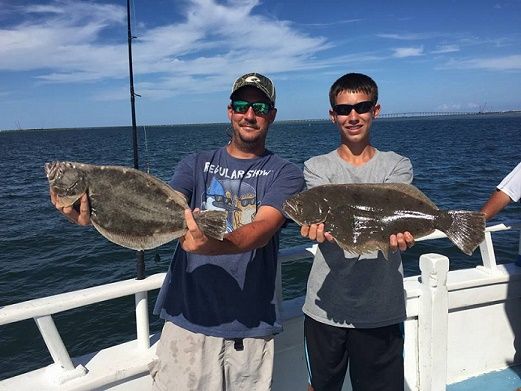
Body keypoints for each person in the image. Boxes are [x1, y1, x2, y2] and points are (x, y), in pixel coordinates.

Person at [50, 72, 304, 391]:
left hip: (249, 330)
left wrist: (213, 245)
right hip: (186, 323)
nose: (249, 115)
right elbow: (166, 206)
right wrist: (100, 214)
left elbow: (263, 229)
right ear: (230, 111)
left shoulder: (286, 173)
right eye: (241, 106)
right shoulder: (195, 163)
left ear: (272, 115)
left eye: (260, 108)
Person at [300, 73, 414, 391]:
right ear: (332, 116)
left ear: (375, 110)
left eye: (361, 107)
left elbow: (391, 207)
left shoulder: (397, 164)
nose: (353, 116)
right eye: (343, 109)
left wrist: (403, 231)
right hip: (326, 308)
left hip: (382, 308)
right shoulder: (316, 166)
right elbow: (332, 213)